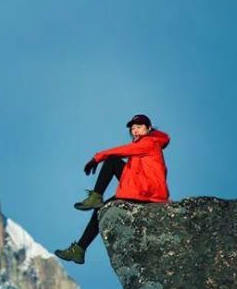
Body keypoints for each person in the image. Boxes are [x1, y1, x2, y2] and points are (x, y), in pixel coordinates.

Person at [54, 113, 170, 264]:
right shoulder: (142, 145)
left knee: (112, 160)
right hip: (141, 187)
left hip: (147, 192)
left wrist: (96, 158)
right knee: (101, 209)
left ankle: (95, 197)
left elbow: (121, 151)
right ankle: (79, 249)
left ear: (149, 128)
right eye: (133, 128)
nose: (135, 131)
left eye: (139, 127)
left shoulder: (150, 142)